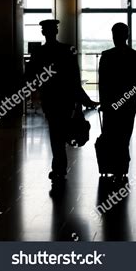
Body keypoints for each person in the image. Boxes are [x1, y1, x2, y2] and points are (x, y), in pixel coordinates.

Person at [25, 19, 98, 182]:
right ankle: (59, 166)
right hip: (66, 99)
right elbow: (74, 78)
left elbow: (30, 76)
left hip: (50, 98)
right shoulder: (66, 50)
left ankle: (59, 167)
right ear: (56, 31)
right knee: (62, 131)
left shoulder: (39, 52)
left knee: (55, 133)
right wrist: (85, 100)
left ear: (43, 32)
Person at [98, 23, 136, 180]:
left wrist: (103, 102)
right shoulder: (135, 56)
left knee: (112, 135)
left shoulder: (106, 56)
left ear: (113, 36)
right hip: (128, 102)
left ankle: (116, 167)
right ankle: (121, 169)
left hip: (110, 103)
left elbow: (103, 83)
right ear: (127, 36)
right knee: (124, 136)